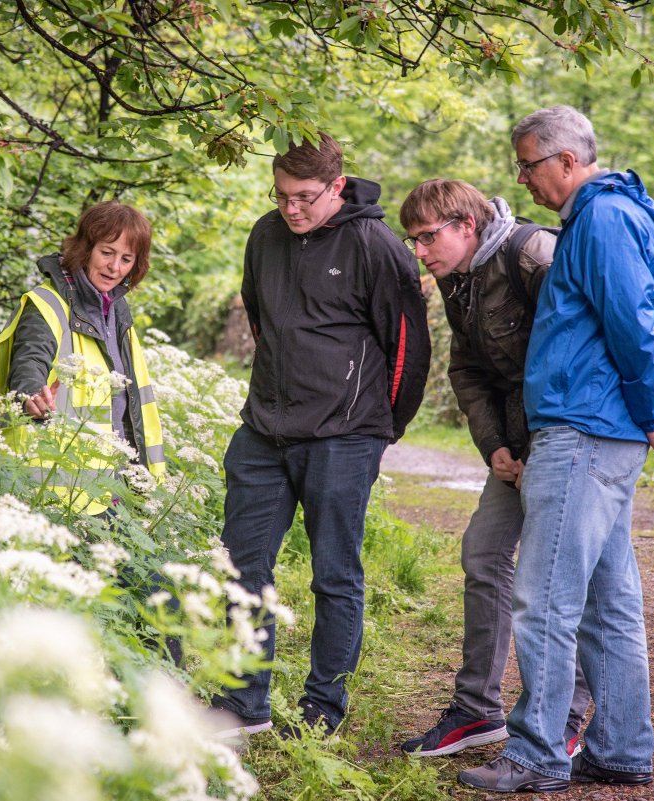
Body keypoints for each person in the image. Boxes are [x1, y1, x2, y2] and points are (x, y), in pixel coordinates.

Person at [458, 105, 654, 793]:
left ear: (566, 161)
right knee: (607, 600)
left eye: (528, 163)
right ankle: (618, 746)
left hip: (584, 430)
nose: (520, 178)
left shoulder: (605, 220)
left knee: (546, 597)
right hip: (598, 428)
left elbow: (634, 328)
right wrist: (641, 413)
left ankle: (535, 752)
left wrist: (649, 410)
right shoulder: (598, 220)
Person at [212, 132, 431, 739]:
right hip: (263, 432)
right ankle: (241, 704)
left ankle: (321, 710)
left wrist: (381, 429)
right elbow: (259, 316)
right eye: (281, 195)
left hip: (344, 436)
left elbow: (408, 349)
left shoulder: (377, 246)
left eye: (305, 197)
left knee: (334, 574)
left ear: (337, 186)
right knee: (240, 565)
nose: (292, 209)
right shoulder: (265, 234)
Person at [396, 179, 591, 759]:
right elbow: (469, 372)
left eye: (428, 237)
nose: (421, 251)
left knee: (556, 574)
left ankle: (568, 714)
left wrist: (542, 444)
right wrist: (496, 448)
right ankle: (477, 710)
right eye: (413, 241)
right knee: (483, 553)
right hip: (514, 448)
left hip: (570, 438)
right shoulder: (457, 282)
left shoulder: (532, 254)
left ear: (466, 225)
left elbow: (587, 340)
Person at [0, 199, 166, 511]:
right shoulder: (47, 304)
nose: (115, 267)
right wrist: (31, 397)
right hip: (52, 495)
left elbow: (129, 406)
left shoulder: (117, 311)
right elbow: (28, 362)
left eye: (127, 258)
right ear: (85, 249)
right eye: (107, 253)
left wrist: (140, 484)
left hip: (112, 492)